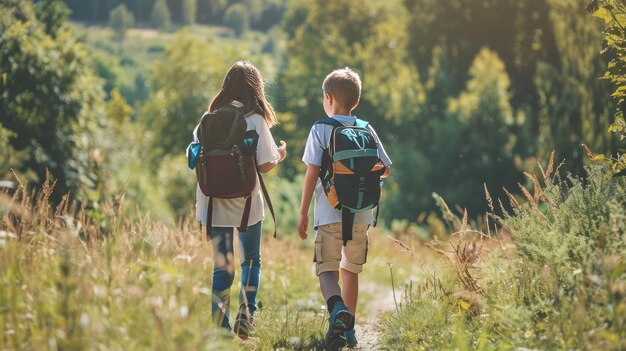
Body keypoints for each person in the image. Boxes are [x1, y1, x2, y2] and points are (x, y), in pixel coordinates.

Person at [189, 61, 287, 339]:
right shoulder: (254, 120)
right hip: (246, 204)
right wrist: (280, 155)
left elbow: (196, 158)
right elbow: (265, 165)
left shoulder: (208, 118)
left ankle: (219, 328)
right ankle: (246, 316)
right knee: (251, 260)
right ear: (256, 88)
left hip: (213, 204)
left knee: (222, 265)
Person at [298, 67, 392, 349]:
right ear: (357, 102)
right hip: (362, 213)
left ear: (328, 98)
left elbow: (312, 172)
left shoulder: (320, 129)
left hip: (329, 212)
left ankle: (336, 310)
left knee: (327, 270)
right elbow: (385, 169)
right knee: (350, 269)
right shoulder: (366, 128)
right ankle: (349, 331)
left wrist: (303, 212)